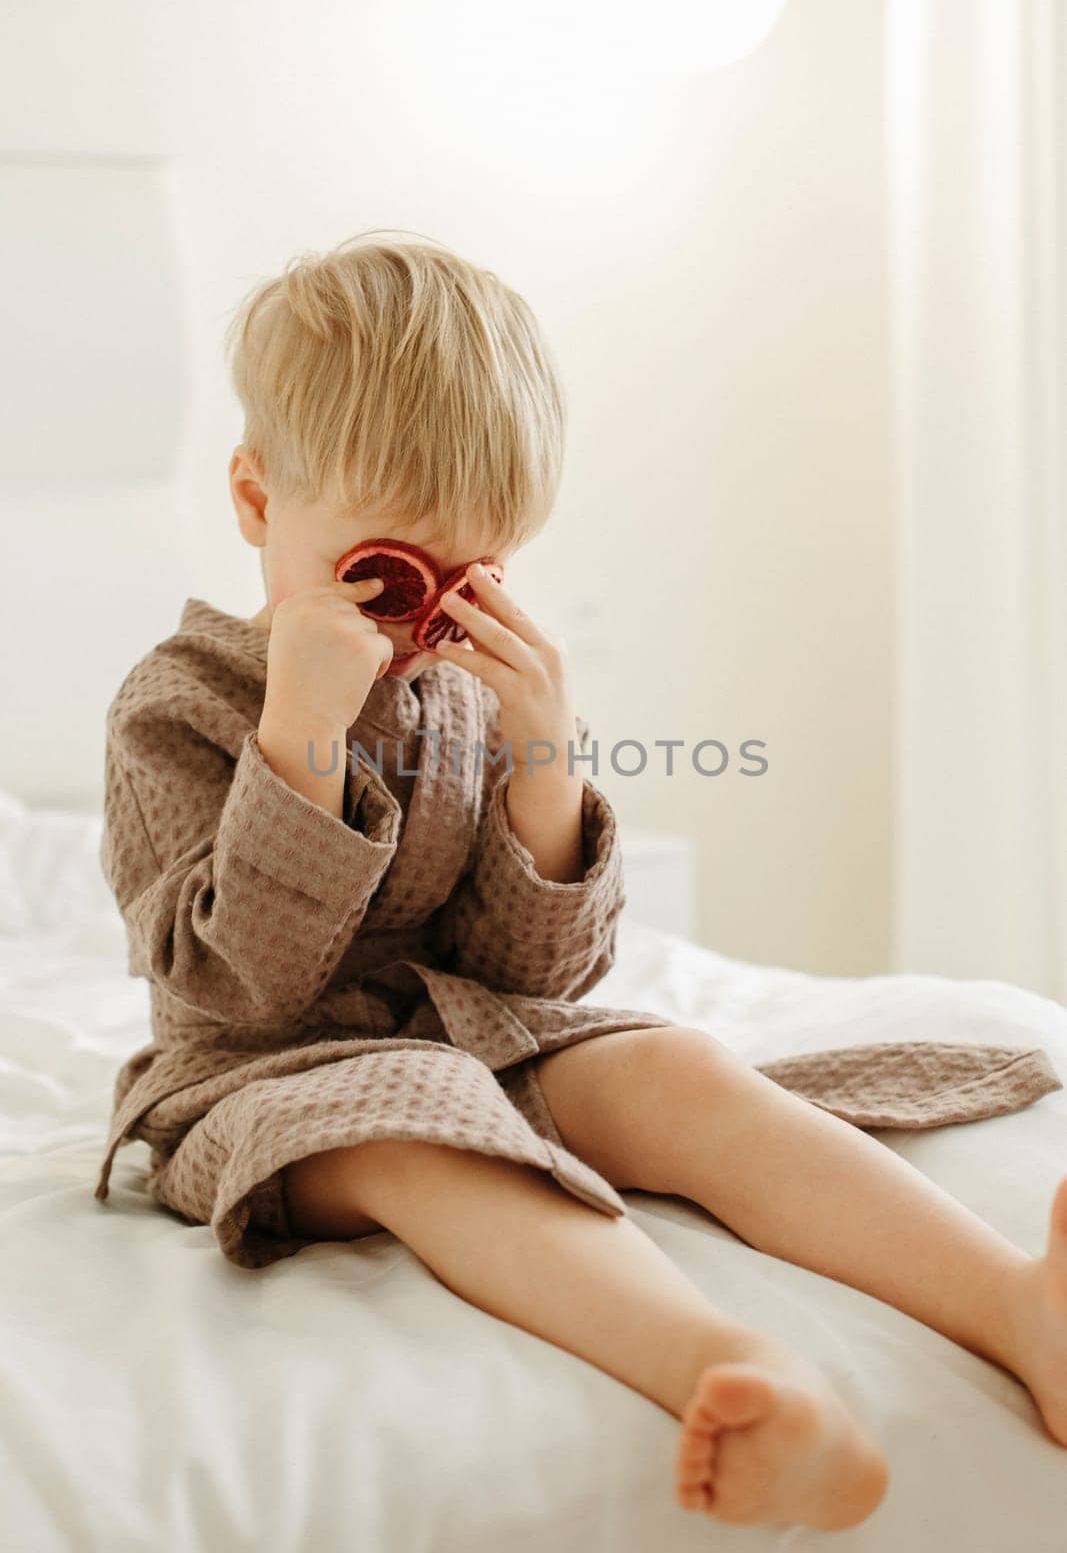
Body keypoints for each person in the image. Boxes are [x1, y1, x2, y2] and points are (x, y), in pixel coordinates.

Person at [95, 229, 1067, 1531]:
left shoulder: (463, 695)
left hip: (471, 1027)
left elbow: (531, 979)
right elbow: (250, 989)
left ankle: (1018, 1308)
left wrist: (545, 769)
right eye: (384, 579)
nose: (420, 631)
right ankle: (732, 1369)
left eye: (470, 585)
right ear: (259, 506)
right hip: (261, 1077)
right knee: (420, 1122)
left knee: (670, 1066)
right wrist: (301, 747)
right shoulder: (176, 706)